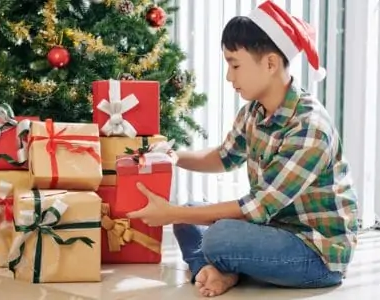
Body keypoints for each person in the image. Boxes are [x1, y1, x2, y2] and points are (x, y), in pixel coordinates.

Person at [127, 1, 359, 298]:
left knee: (217, 236)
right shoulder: (254, 112)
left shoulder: (309, 127)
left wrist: (168, 212)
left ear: (271, 63)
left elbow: (257, 208)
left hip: (317, 254)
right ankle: (215, 273)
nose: (229, 76)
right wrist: (175, 157)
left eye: (235, 64)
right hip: (274, 230)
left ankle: (218, 265)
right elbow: (224, 157)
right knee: (189, 216)